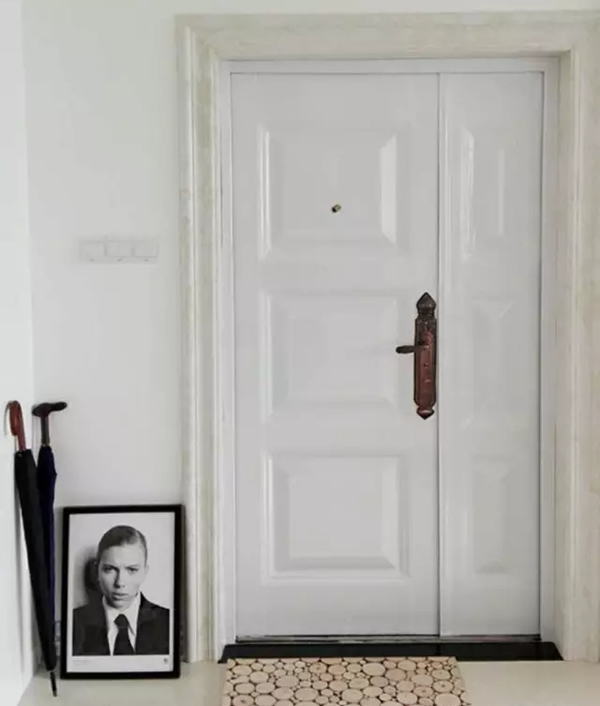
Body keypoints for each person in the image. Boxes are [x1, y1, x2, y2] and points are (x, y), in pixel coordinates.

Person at [72, 525, 170, 656]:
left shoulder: (168, 622)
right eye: (109, 569)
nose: (120, 583)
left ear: (144, 572)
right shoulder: (73, 623)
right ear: (97, 571)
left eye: (132, 570)